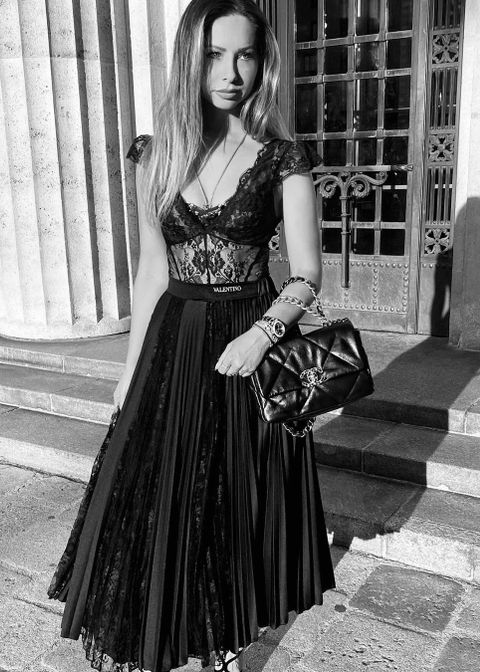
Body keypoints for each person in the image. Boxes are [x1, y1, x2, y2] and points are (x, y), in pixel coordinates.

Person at [47, 1, 335, 670]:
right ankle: (173, 628)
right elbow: (153, 270)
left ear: (263, 63)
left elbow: (307, 275)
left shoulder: (283, 160)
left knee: (237, 495)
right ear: (189, 60)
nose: (231, 72)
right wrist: (128, 371)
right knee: (164, 494)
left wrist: (263, 335)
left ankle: (229, 639)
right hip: (173, 342)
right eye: (214, 55)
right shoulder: (155, 155)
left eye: (246, 55)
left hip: (248, 339)